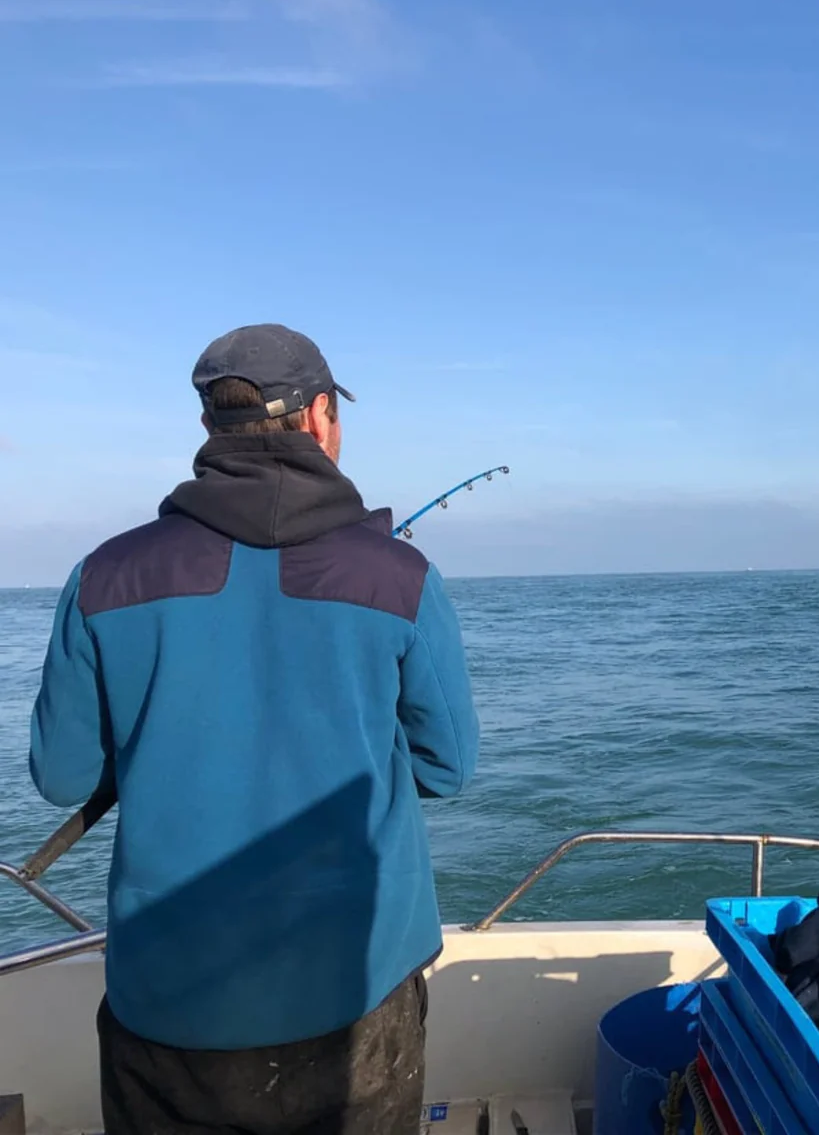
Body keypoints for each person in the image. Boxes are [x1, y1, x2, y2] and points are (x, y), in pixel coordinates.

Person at [28, 323, 481, 1134]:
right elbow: (446, 767)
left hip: (169, 1002)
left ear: (210, 428)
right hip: (357, 991)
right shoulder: (401, 577)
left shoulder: (103, 575)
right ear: (316, 419)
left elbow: (62, 776)